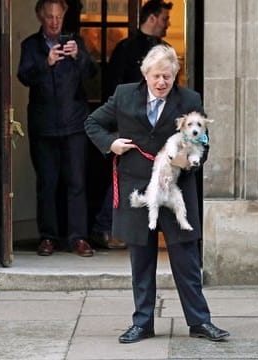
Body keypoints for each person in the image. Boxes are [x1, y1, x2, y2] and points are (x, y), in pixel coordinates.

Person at [85, 44, 230, 343]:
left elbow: (203, 140)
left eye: (167, 76)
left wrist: (191, 161)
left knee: (186, 258)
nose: (162, 82)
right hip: (137, 186)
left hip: (177, 188)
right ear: (145, 75)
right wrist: (110, 144)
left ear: (175, 76)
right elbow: (92, 122)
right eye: (156, 76)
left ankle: (200, 321)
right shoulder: (124, 95)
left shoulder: (189, 99)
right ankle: (142, 322)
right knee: (141, 258)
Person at [89, 0, 173, 250]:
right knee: (124, 177)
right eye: (165, 19)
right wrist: (114, 128)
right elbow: (113, 87)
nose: (167, 24)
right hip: (128, 127)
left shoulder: (164, 50)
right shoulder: (126, 48)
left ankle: (134, 230)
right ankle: (104, 227)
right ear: (152, 18)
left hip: (155, 127)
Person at [17, 0, 97, 257]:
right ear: (40, 17)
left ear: (64, 18)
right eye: (49, 17)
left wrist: (78, 56)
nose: (54, 22)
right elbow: (23, 76)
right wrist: (46, 62)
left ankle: (78, 238)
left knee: (77, 183)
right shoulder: (30, 45)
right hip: (44, 126)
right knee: (47, 184)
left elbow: (93, 73)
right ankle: (48, 237)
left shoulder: (76, 42)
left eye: (58, 17)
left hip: (74, 124)